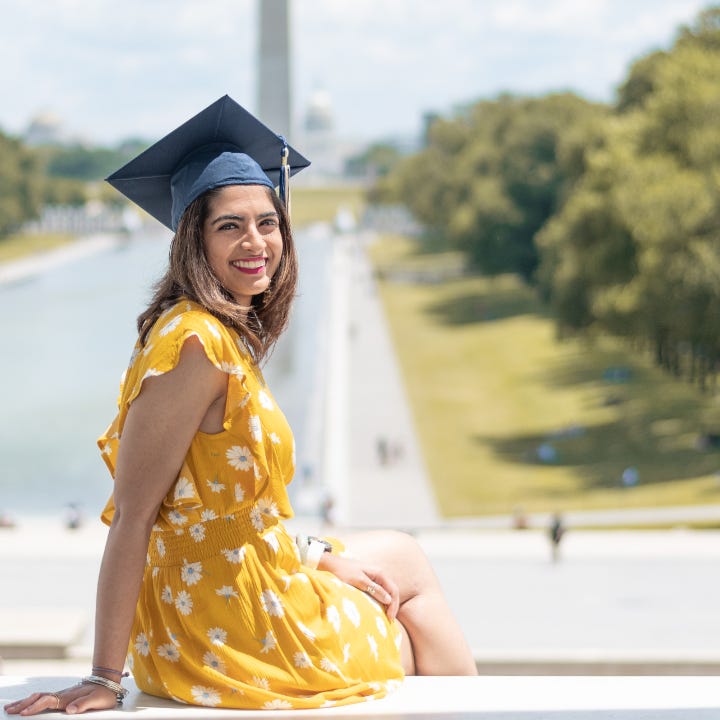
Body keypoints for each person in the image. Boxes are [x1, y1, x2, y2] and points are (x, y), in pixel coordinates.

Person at [5, 96, 476, 716]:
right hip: (220, 627)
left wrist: (320, 557)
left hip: (233, 587)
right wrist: (103, 678)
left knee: (400, 557)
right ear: (192, 239)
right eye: (229, 225)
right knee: (410, 616)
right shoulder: (194, 343)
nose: (256, 242)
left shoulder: (211, 331)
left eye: (268, 222)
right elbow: (133, 516)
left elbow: (231, 509)